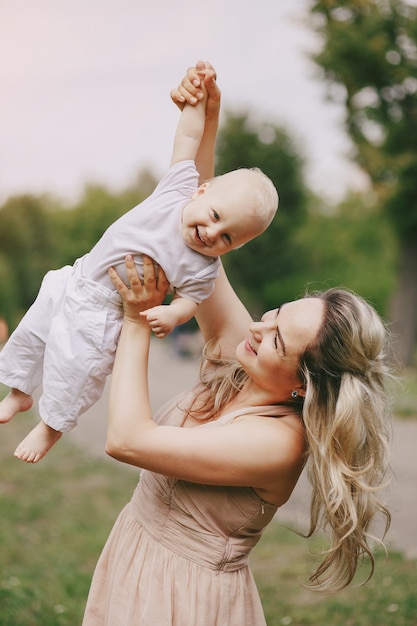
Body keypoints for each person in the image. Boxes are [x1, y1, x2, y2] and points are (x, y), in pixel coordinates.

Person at [81, 64, 392, 625]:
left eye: (277, 338)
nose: (256, 328)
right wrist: (206, 116)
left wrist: (135, 320)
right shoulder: (238, 355)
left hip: (186, 598)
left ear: (303, 382)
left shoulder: (276, 443)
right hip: (131, 555)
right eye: (272, 315)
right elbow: (196, 228)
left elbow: (127, 439)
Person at [0, 61, 278, 464]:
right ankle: (19, 393)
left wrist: (171, 314)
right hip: (74, 279)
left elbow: (190, 302)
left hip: (104, 314)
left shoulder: (201, 267)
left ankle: (52, 426)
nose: (212, 234)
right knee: (31, 332)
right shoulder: (176, 190)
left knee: (77, 372)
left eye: (228, 238)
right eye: (216, 217)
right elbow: (187, 136)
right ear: (201, 192)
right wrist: (196, 102)